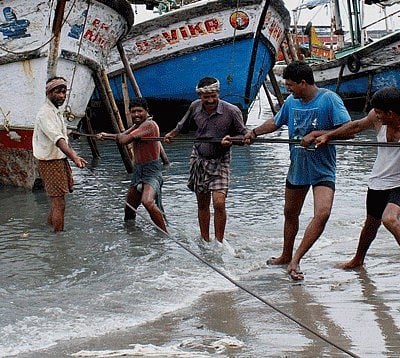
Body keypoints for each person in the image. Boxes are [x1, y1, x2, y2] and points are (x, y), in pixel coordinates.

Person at [315, 87, 400, 290]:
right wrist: (329, 136)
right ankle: (358, 260)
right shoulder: (377, 118)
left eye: (379, 112)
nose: (375, 116)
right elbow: (355, 127)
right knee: (371, 224)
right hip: (378, 180)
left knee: (389, 220)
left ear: (391, 113)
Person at [243, 60, 351, 281]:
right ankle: (285, 254)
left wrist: (320, 133)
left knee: (322, 213)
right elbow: (275, 122)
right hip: (297, 168)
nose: (287, 89)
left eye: (290, 85)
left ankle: (296, 260)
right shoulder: (291, 102)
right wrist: (253, 132)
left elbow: (349, 130)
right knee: (290, 213)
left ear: (303, 82)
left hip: (323, 169)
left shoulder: (329, 99)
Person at [164, 77, 247, 243]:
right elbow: (182, 125)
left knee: (218, 202)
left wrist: (231, 139)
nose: (210, 100)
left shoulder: (232, 111)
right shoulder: (195, 106)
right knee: (202, 203)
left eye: (213, 96)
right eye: (205, 97)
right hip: (199, 158)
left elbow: (244, 136)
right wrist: (171, 135)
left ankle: (219, 241)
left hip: (220, 159)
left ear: (218, 93)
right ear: (200, 97)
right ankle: (205, 239)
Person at [96, 97, 167, 232]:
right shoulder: (137, 126)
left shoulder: (149, 125)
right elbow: (122, 135)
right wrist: (106, 135)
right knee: (129, 208)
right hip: (138, 171)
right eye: (133, 112)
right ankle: (132, 236)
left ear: (147, 111)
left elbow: (124, 140)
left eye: (139, 111)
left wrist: (112, 137)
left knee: (148, 202)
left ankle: (165, 235)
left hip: (151, 171)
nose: (136, 115)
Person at [32, 76, 88, 233]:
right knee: (59, 202)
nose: (62, 96)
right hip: (50, 162)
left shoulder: (55, 111)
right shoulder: (45, 114)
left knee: (57, 200)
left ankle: (50, 228)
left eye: (64, 92)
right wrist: (74, 157)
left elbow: (62, 135)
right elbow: (58, 139)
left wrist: (73, 153)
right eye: (58, 92)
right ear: (49, 93)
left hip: (57, 160)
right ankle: (58, 237)